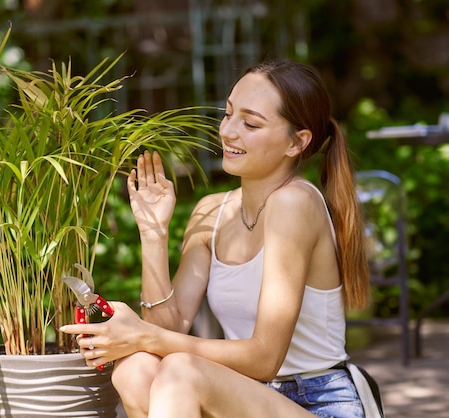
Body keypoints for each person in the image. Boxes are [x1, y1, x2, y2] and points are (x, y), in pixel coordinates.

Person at [61, 59, 370, 417]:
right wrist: (153, 233)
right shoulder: (213, 210)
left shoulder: (295, 203)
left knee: (181, 371)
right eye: (228, 114)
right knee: (135, 370)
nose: (228, 131)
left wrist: (147, 336)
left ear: (297, 143)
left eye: (251, 123)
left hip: (317, 401)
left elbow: (265, 358)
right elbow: (168, 326)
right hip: (245, 394)